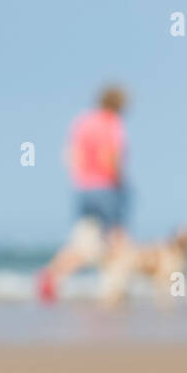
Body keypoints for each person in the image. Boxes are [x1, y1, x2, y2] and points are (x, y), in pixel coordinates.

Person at [37, 85, 129, 302]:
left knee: (83, 241)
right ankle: (113, 292)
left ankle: (52, 273)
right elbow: (111, 157)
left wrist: (81, 178)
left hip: (82, 188)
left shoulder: (82, 122)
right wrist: (119, 182)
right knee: (116, 241)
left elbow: (71, 155)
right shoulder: (112, 123)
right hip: (106, 188)